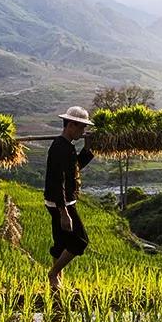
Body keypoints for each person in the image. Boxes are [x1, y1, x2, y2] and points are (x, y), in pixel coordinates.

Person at [44, 106, 95, 290]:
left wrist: (87, 149)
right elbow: (58, 181)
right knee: (79, 241)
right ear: (71, 125)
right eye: (81, 128)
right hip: (62, 203)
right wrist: (64, 211)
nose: (83, 132)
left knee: (61, 243)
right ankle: (53, 273)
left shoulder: (67, 146)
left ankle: (56, 284)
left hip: (59, 201)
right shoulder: (59, 148)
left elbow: (74, 168)